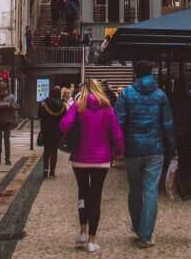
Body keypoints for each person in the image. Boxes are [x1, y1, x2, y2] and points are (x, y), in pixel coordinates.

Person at [115, 60, 176, 248]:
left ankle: (137, 226)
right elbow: (167, 124)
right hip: (155, 149)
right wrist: (172, 148)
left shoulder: (126, 94)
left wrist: (118, 147)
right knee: (150, 191)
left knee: (134, 190)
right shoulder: (160, 95)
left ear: (136, 73)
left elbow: (119, 122)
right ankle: (146, 234)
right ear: (152, 73)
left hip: (133, 149)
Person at [60, 78, 124, 254]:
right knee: (95, 196)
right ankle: (92, 240)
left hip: (80, 158)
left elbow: (64, 125)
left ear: (84, 90)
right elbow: (117, 133)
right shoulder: (107, 108)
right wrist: (119, 151)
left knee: (82, 191)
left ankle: (82, 231)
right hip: (101, 159)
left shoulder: (78, 106)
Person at [170, 79, 191, 200]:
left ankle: (176, 184)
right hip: (186, 133)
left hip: (173, 133)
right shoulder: (190, 100)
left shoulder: (170, 100)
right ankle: (183, 183)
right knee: (184, 158)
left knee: (173, 159)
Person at [38, 85, 65, 179]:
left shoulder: (44, 103)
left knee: (46, 150)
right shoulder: (62, 104)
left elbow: (39, 115)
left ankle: (45, 171)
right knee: (54, 151)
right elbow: (64, 118)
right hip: (57, 130)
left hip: (46, 129)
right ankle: (52, 172)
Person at [0, 81, 18, 166]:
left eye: (3, 88)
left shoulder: (11, 97)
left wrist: (9, 106)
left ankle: (7, 159)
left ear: (6, 89)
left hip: (7, 121)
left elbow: (16, 107)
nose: (2, 90)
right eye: (0, 88)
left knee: (7, 141)